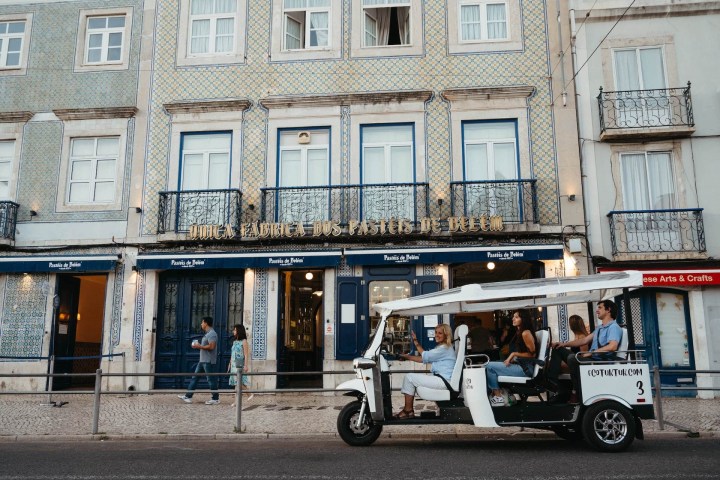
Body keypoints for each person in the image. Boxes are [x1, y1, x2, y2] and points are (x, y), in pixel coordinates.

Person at [547, 300, 623, 403]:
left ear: (608, 310)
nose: (597, 310)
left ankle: (576, 392)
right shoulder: (600, 328)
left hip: (598, 361)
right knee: (558, 349)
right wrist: (563, 344)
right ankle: (552, 383)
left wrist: (592, 352)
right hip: (590, 358)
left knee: (572, 358)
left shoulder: (614, 327)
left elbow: (612, 346)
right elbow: (583, 340)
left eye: (600, 307)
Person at [395, 324, 456, 419]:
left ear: (446, 335)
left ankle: (408, 411)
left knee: (409, 377)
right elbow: (424, 357)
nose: (436, 335)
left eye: (440, 333)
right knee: (410, 378)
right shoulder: (443, 348)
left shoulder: (444, 349)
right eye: (436, 332)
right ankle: (409, 411)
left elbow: (424, 357)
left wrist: (406, 356)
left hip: (444, 381)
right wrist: (415, 342)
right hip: (442, 379)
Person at [485, 310, 537, 407]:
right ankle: (503, 393)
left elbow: (532, 355)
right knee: (493, 364)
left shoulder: (525, 333)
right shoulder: (519, 332)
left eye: (516, 317)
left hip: (525, 369)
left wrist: (513, 354)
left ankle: (498, 397)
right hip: (521, 365)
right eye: (513, 316)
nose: (513, 319)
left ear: (523, 319)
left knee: (488, 365)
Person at [178, 316, 220, 405]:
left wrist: (199, 346)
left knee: (210, 379)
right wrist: (199, 346)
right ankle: (188, 396)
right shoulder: (207, 333)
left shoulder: (212, 333)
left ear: (206, 323)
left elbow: (212, 346)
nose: (201, 324)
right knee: (195, 377)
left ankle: (215, 399)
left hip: (208, 361)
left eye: (202, 322)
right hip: (202, 360)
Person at [228, 324, 251, 405]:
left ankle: (249, 393)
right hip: (233, 364)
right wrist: (230, 363)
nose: (233, 331)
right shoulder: (234, 342)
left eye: (235, 330)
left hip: (240, 363)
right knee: (236, 384)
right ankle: (236, 402)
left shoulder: (244, 341)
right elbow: (232, 353)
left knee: (239, 382)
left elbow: (246, 354)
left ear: (239, 331)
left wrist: (246, 365)